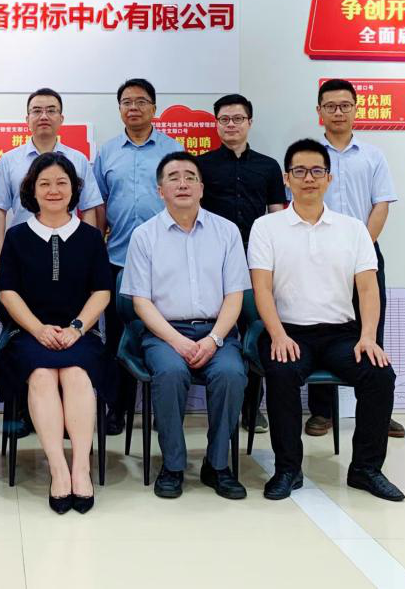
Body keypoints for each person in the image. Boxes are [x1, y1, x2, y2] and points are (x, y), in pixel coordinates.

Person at [249, 139, 403, 502]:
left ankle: (366, 469)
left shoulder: (353, 229)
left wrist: (368, 336)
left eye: (317, 171)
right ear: (286, 178)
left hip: (341, 334)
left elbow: (368, 288)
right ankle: (288, 469)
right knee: (282, 372)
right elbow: (262, 289)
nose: (309, 178)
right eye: (300, 171)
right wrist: (277, 335)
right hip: (288, 331)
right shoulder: (266, 227)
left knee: (379, 374)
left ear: (329, 179)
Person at [121, 151, 250, 499]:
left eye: (190, 177)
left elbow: (235, 296)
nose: (182, 183)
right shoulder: (144, 235)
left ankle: (217, 465)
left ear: (202, 188)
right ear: (160, 190)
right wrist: (177, 341)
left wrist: (214, 339)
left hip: (217, 332)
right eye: (173, 177)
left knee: (231, 374)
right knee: (170, 373)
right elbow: (141, 302)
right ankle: (173, 466)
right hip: (164, 334)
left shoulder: (226, 232)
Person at [0, 152, 112, 514]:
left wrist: (77, 327)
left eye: (62, 182)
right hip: (28, 333)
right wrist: (38, 328)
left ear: (74, 189)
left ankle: (81, 468)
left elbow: (102, 292)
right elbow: (7, 292)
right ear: (32, 190)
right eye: (44, 183)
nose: (53, 190)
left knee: (76, 373)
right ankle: (58, 470)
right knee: (42, 374)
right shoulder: (17, 236)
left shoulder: (90, 237)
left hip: (81, 333)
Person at [305, 80, 405, 440]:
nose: (338, 112)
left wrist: (361, 247)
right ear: (319, 111)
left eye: (345, 105)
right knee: (320, 327)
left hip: (366, 255)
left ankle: (376, 411)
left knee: (370, 327)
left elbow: (381, 205)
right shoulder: (309, 156)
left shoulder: (372, 156)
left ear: (355, 109)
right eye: (330, 106)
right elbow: (300, 203)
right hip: (317, 257)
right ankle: (321, 411)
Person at [93, 79, 184, 436]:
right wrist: (97, 246)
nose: (134, 108)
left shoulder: (172, 150)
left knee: (166, 333)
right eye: (127, 102)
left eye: (141, 101)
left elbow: (183, 200)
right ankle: (118, 408)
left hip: (165, 259)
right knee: (119, 338)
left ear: (154, 108)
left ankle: (164, 409)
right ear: (119, 109)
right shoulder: (107, 152)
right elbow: (99, 203)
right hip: (118, 258)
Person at [195, 94, 287, 434]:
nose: (231, 125)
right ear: (216, 124)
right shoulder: (201, 166)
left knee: (255, 330)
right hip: (211, 259)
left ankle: (252, 409)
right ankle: (213, 404)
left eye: (237, 119)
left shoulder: (268, 166)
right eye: (224, 119)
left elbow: (277, 215)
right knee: (209, 326)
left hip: (256, 260)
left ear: (250, 122)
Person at [0, 88, 103, 272]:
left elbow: (88, 208)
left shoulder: (78, 159)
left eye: (51, 110)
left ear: (61, 118)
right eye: (37, 111)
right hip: (23, 247)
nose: (44, 116)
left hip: (69, 246)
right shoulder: (9, 160)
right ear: (27, 119)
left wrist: (87, 250)